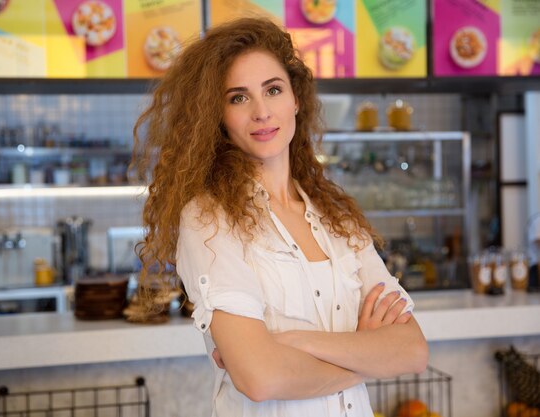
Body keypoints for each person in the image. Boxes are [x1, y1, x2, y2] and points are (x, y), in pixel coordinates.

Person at [132, 17, 429, 417]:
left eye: (273, 90)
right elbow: (260, 379)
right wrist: (365, 353)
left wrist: (291, 342)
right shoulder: (209, 220)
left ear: (295, 100)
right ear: (216, 117)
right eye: (238, 97)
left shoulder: (338, 218)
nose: (261, 112)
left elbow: (411, 351)